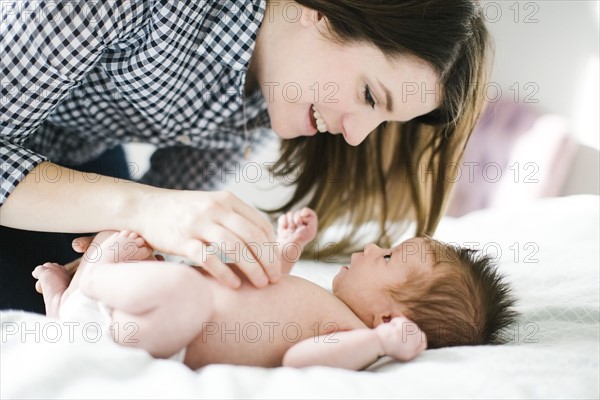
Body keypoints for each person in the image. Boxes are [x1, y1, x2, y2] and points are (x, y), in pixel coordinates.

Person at [1, 0, 493, 312]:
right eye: (369, 96)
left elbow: (173, 213)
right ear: (320, 12)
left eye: (383, 123)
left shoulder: (269, 99)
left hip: (60, 163)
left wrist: (143, 241)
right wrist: (141, 208)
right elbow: (155, 205)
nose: (356, 138)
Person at [32, 208, 517, 370]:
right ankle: (67, 302)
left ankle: (86, 287)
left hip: (158, 337)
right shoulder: (322, 301)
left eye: (386, 258)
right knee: (150, 259)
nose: (371, 248)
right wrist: (286, 248)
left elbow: (298, 360)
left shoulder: (352, 335)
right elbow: (263, 281)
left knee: (180, 286)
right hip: (140, 319)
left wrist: (375, 344)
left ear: (389, 320)